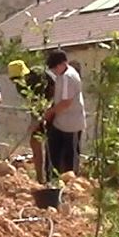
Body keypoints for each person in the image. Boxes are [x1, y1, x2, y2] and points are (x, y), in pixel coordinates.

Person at [41, 50, 85, 178]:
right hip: (60, 122)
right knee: (54, 152)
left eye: (55, 67)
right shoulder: (62, 75)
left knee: (69, 158)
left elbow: (66, 102)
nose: (54, 71)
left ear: (62, 64)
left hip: (71, 124)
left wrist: (50, 112)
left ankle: (69, 184)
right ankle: (52, 180)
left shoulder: (68, 77)